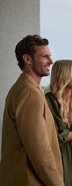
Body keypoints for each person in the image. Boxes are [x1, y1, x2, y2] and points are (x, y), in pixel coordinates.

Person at [0, 35, 64, 186]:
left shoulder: (25, 88)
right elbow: (40, 151)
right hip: (29, 179)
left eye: (50, 56)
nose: (51, 61)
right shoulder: (28, 93)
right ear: (27, 59)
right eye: (44, 56)